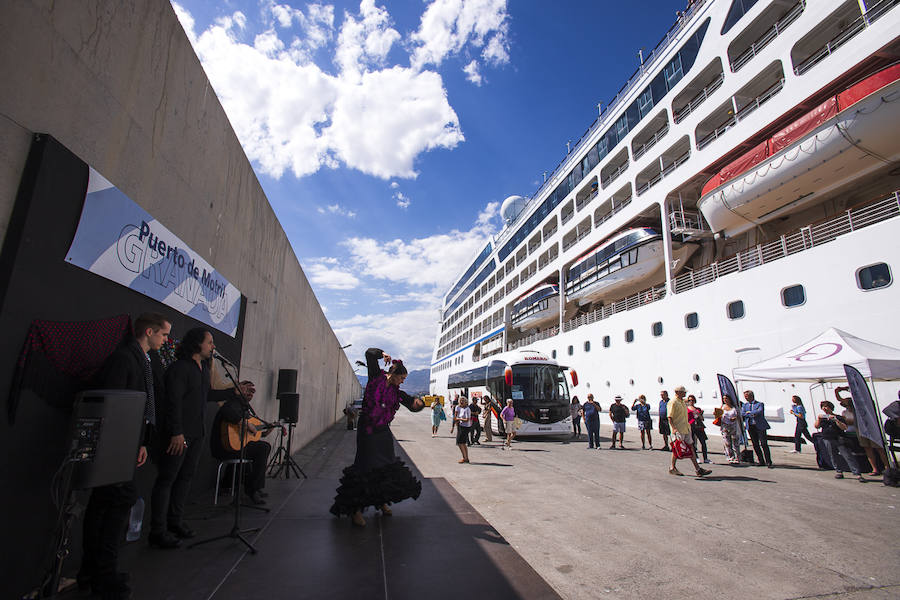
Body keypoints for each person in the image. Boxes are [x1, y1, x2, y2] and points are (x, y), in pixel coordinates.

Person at [78, 313, 170, 599]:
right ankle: (101, 575)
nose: (166, 340)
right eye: (163, 335)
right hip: (115, 448)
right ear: (150, 331)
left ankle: (95, 571)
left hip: (129, 444)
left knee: (109, 504)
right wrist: (124, 444)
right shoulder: (124, 358)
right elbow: (114, 404)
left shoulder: (143, 360)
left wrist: (141, 441)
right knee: (113, 503)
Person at [151, 327, 234, 546]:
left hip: (197, 433)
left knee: (185, 478)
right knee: (167, 479)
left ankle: (175, 521)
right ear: (197, 344)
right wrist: (176, 432)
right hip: (178, 434)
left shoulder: (203, 368)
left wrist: (234, 392)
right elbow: (173, 402)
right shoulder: (180, 368)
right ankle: (157, 531)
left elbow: (207, 395)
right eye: (210, 342)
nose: (213, 346)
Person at [330, 348, 425, 527]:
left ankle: (381, 501)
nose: (402, 382)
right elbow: (369, 354)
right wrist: (383, 354)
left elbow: (411, 404)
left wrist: (418, 404)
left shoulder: (397, 393)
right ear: (393, 374)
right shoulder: (375, 377)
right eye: (402, 378)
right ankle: (355, 509)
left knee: (386, 466)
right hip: (367, 430)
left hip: (383, 432)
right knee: (365, 466)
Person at [210, 380, 271, 504]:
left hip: (236, 446)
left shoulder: (245, 408)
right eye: (248, 390)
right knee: (263, 448)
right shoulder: (232, 403)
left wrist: (266, 430)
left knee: (260, 446)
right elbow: (228, 413)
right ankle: (252, 489)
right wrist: (245, 424)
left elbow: (254, 433)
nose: (250, 394)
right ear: (240, 390)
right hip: (224, 448)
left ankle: (247, 486)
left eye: (252, 392)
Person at [836, 386, 888, 476]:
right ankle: (875, 469)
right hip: (860, 428)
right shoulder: (852, 402)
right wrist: (839, 390)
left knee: (879, 448)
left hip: (871, 427)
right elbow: (839, 399)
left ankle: (887, 468)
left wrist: (843, 389)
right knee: (868, 448)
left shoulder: (867, 401)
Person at [816, 400, 865, 481]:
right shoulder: (823, 418)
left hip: (839, 438)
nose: (825, 408)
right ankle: (839, 471)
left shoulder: (839, 417)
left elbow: (844, 427)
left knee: (847, 455)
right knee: (833, 456)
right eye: (823, 407)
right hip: (827, 438)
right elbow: (816, 426)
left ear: (830, 407)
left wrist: (836, 420)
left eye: (826, 406)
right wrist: (819, 418)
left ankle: (857, 473)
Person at [667, 385, 710, 477]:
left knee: (691, 448)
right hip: (678, 429)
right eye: (683, 392)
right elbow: (670, 416)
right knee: (677, 448)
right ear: (678, 392)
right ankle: (672, 467)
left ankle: (698, 469)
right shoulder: (673, 402)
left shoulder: (682, 402)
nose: (685, 393)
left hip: (686, 428)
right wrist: (673, 428)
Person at [741, 390, 773, 468]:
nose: (745, 397)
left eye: (747, 396)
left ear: (751, 396)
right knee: (755, 444)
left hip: (760, 426)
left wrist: (749, 413)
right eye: (745, 396)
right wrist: (751, 413)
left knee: (764, 444)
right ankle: (761, 460)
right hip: (751, 426)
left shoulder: (759, 404)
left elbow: (759, 412)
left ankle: (768, 461)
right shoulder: (745, 405)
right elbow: (742, 413)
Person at [686, 395, 709, 463]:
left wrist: (699, 414)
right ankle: (696, 457)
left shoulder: (698, 409)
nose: (691, 402)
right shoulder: (686, 409)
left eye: (692, 400)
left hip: (699, 426)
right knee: (693, 443)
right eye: (689, 400)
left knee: (703, 442)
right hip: (691, 426)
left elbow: (702, 419)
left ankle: (705, 458)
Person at [719, 395, 741, 464]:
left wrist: (735, 418)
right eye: (724, 398)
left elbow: (738, 416)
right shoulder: (722, 407)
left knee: (735, 442)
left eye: (726, 398)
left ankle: (737, 457)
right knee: (727, 443)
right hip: (725, 426)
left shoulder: (734, 408)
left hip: (733, 426)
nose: (725, 400)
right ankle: (730, 457)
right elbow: (718, 415)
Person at [454, 396, 472, 462]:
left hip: (465, 427)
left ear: (466, 402)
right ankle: (465, 457)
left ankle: (465, 457)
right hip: (460, 426)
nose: (461, 402)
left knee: (461, 442)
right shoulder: (459, 408)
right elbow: (456, 415)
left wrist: (459, 419)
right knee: (461, 442)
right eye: (460, 400)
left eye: (463, 401)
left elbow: (467, 419)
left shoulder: (467, 409)